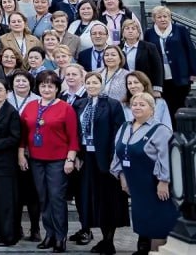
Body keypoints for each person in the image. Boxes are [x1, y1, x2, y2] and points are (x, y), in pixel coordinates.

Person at [111, 93, 179, 255]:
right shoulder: (125, 127)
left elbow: (167, 157)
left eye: (142, 105)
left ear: (152, 109)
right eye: (135, 104)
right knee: (144, 223)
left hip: (155, 187)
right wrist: (122, 176)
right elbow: (118, 154)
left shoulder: (160, 130)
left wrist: (164, 181)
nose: (137, 107)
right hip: (136, 186)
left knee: (158, 226)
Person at [18, 71, 78, 253]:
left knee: (56, 198)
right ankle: (49, 234)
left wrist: (70, 158)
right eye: (43, 85)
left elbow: (73, 137)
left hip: (58, 160)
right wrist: (21, 154)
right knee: (43, 198)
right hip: (36, 159)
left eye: (50, 86)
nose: (46, 89)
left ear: (57, 88)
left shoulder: (65, 108)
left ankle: (61, 237)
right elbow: (23, 135)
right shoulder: (30, 106)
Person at [76, 71, 130, 255]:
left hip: (106, 159)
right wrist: (76, 155)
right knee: (93, 199)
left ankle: (109, 241)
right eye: (88, 83)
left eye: (95, 82)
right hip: (87, 157)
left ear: (102, 84)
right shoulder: (80, 104)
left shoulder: (112, 104)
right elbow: (77, 132)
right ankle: (101, 237)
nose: (91, 85)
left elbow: (119, 132)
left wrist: (115, 158)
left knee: (109, 200)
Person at [0, 77, 23, 247]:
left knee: (7, 201)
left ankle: (10, 236)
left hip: (5, 163)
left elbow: (15, 137)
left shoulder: (11, 112)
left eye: (0, 90)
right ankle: (0, 232)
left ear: (7, 93)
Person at [147, 5, 196, 119]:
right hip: (161, 76)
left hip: (180, 74)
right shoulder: (149, 34)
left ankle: (182, 130)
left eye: (165, 16)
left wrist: (193, 71)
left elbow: (190, 50)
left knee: (180, 105)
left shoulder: (180, 30)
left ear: (170, 18)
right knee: (167, 106)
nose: (163, 19)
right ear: (154, 19)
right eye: (159, 17)